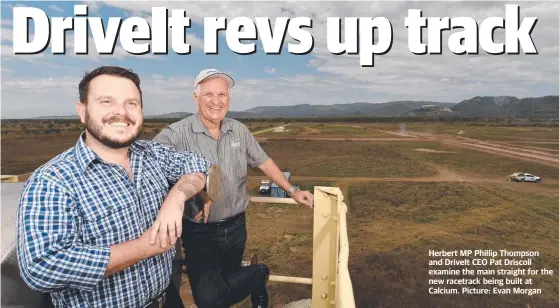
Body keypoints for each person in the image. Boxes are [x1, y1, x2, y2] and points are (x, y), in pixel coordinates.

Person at [16, 66, 214, 308]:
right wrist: (143, 248)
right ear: (82, 110)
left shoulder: (151, 154)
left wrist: (177, 195)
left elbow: (199, 165)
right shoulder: (53, 180)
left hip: (166, 299)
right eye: (106, 101)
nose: (121, 112)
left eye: (131, 103)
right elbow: (41, 267)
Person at [153, 69, 315, 308]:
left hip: (236, 227)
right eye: (208, 94)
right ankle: (258, 274)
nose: (216, 101)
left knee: (226, 287)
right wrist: (178, 195)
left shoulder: (238, 130)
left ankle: (254, 276)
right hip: (200, 231)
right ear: (195, 97)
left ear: (229, 98)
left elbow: (263, 161)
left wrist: (292, 190)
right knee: (208, 299)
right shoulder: (177, 134)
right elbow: (149, 165)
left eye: (222, 94)